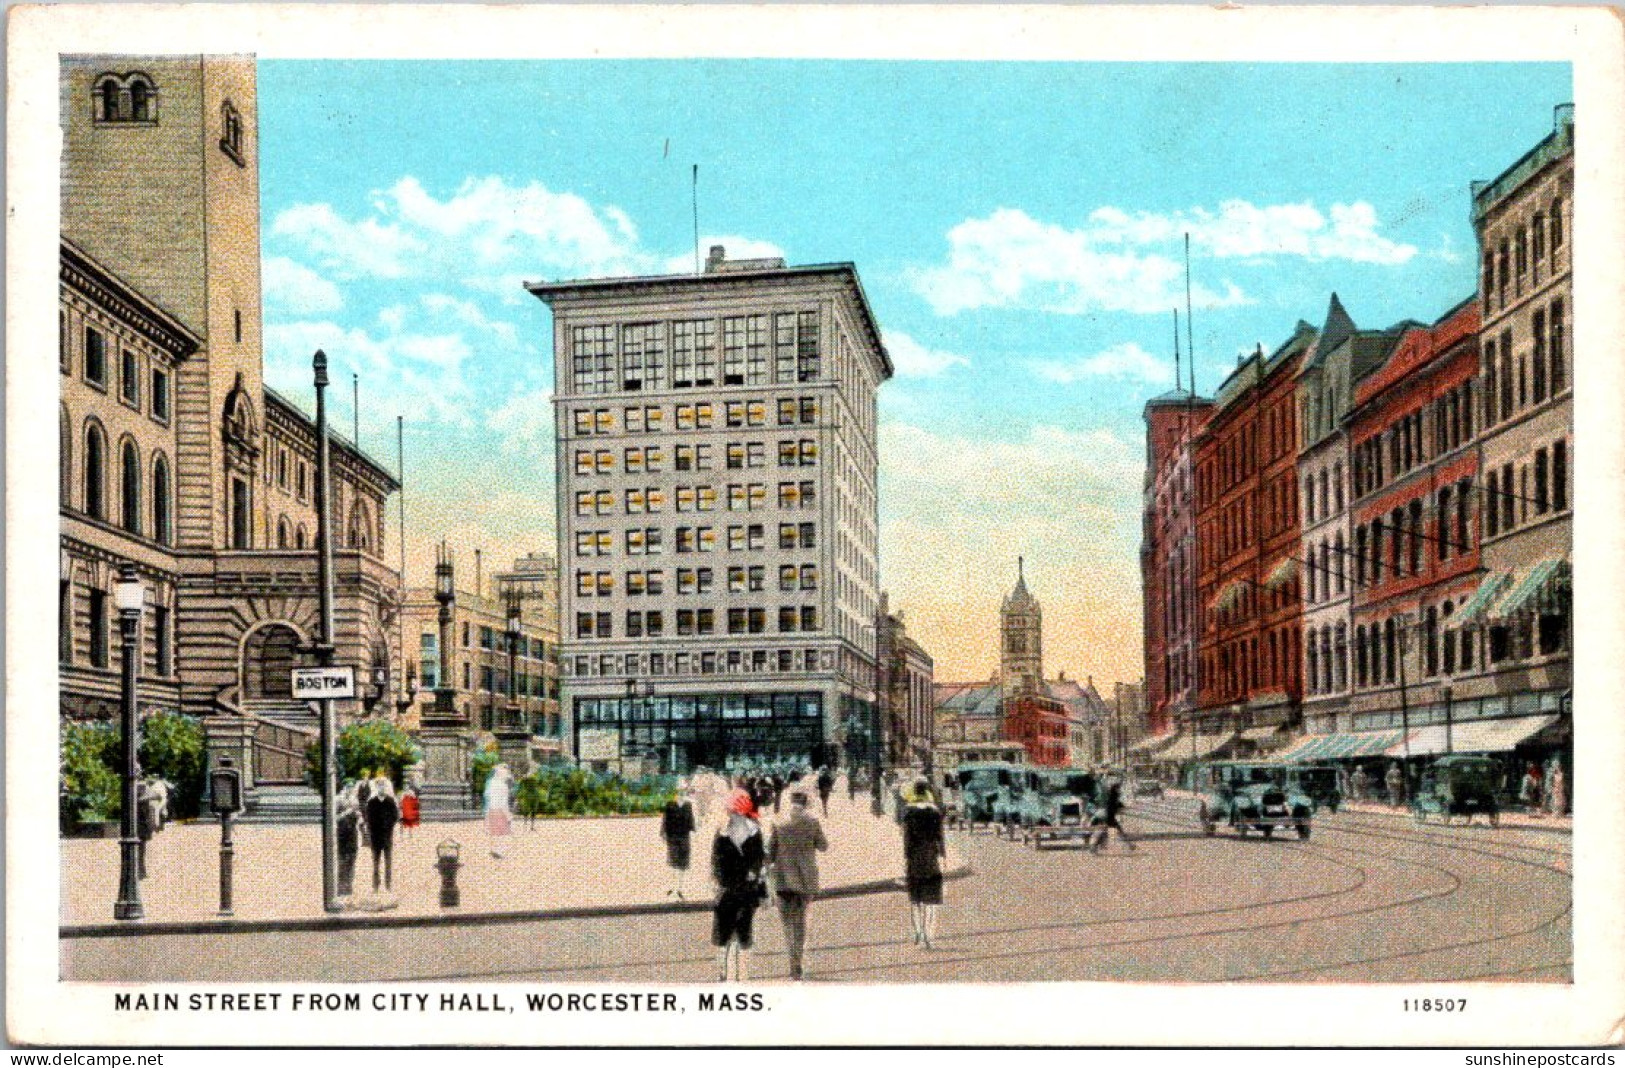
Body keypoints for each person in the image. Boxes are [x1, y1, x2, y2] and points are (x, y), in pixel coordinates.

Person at [767, 790, 829, 980]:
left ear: (790, 803)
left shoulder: (778, 822)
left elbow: (769, 853)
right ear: (805, 803)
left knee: (786, 923)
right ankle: (799, 961)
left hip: (783, 878)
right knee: (800, 922)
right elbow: (823, 846)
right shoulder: (812, 822)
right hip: (805, 879)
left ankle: (792, 961)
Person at [711, 788, 767, 982]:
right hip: (735, 889)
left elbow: (760, 859)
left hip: (739, 890)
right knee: (732, 935)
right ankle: (730, 974)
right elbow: (716, 862)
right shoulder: (727, 831)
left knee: (735, 934)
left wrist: (754, 870)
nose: (735, 814)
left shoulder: (748, 831)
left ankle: (735, 975)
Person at [901, 779, 947, 949]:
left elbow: (906, 841)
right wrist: (943, 856)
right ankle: (928, 935)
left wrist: (905, 858)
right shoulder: (935, 813)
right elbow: (940, 838)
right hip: (931, 859)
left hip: (914, 859)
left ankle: (918, 933)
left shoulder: (909, 813)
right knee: (929, 902)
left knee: (915, 901)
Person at [661, 785, 697, 899]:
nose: (681, 794)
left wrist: (694, 829)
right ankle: (672, 886)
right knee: (673, 862)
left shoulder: (688, 805)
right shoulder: (670, 805)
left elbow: (691, 820)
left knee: (683, 863)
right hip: (672, 837)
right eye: (679, 792)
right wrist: (663, 834)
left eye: (683, 792)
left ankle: (680, 888)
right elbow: (665, 820)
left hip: (684, 837)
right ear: (676, 793)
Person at [365, 776, 399, 893]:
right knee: (375, 863)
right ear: (376, 787)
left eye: (383, 786)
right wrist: (374, 827)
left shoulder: (390, 801)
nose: (381, 788)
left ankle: (388, 885)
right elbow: (368, 818)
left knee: (388, 862)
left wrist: (388, 825)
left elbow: (395, 816)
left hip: (387, 836)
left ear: (386, 787)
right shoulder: (372, 802)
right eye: (379, 786)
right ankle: (375, 886)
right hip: (375, 837)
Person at [1091, 776, 1136, 854]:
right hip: (1108, 816)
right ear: (1115, 788)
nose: (1120, 790)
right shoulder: (1113, 795)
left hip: (1103, 814)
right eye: (1118, 788)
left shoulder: (1109, 794)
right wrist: (1123, 807)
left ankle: (1129, 845)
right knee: (1109, 830)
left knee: (1103, 831)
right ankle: (1129, 845)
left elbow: (1116, 805)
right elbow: (1116, 805)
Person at [336, 783, 361, 898]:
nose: (350, 791)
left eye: (352, 789)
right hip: (342, 834)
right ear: (344, 788)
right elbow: (334, 818)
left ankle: (349, 887)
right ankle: (341, 888)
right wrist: (347, 812)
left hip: (352, 835)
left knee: (351, 860)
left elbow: (359, 818)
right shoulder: (338, 800)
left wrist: (358, 816)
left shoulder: (354, 801)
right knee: (342, 861)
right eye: (348, 788)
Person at [485, 764, 513, 858]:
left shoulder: (492, 784)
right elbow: (504, 803)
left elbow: (488, 797)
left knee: (494, 831)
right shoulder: (503, 787)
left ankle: (493, 848)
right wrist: (508, 815)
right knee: (502, 832)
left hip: (492, 809)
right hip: (500, 810)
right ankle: (499, 850)